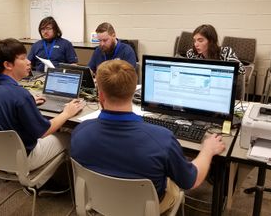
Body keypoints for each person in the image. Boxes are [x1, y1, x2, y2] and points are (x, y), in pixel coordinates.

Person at [71, 60, 226, 213]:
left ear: (101, 96)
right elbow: (192, 181)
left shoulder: (79, 132)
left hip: (97, 203)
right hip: (146, 210)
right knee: (173, 181)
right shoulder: (162, 140)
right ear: (133, 92)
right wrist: (208, 150)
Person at [0, 38, 84, 173]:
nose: (29, 62)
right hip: (22, 159)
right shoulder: (20, 95)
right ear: (8, 65)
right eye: (23, 58)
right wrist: (67, 113)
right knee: (69, 137)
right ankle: (43, 184)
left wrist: (29, 102)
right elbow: (43, 132)